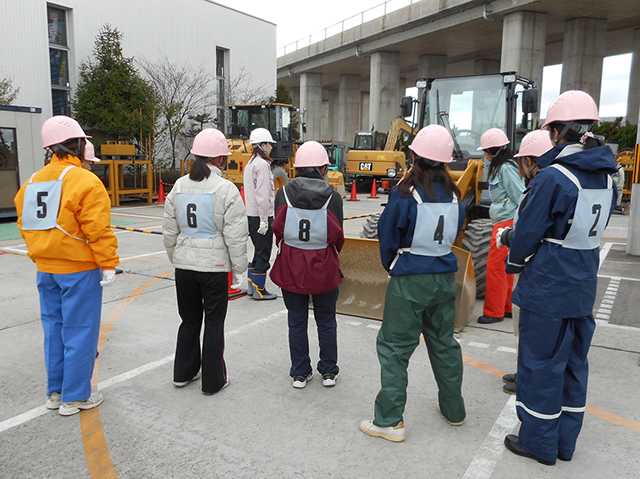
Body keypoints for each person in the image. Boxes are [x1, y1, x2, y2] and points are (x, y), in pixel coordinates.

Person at [503, 90, 617, 465]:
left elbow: (528, 233)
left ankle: (538, 442)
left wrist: (513, 256)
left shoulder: (555, 176)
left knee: (539, 365)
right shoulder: (608, 177)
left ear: (559, 130)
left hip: (549, 284)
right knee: (573, 364)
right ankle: (565, 442)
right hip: (584, 282)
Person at [360, 125, 466, 443]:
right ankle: (454, 410)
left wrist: (393, 266)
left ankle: (390, 421)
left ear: (416, 156)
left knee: (394, 349)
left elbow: (388, 235)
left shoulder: (406, 194)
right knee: (444, 343)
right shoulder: (455, 195)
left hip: (410, 278)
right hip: (446, 276)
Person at [14, 115, 119, 416]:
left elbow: (25, 223)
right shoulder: (86, 181)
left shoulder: (32, 181)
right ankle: (75, 397)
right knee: (80, 330)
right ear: (77, 144)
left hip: (45, 268)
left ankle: (55, 392)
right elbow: (97, 229)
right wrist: (108, 262)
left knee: (54, 329)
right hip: (78, 269)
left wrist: (41, 253)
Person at [163, 128, 248, 395]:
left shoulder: (178, 186)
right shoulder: (226, 189)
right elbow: (235, 236)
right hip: (213, 268)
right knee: (214, 322)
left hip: (184, 266)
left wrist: (176, 257)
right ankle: (213, 381)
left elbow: (169, 231)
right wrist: (239, 271)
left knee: (188, 320)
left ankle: (183, 373)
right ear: (221, 159)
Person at [270, 141, 344, 389]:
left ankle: (300, 373)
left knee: (296, 320)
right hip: (323, 267)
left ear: (297, 167)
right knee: (326, 320)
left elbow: (278, 231)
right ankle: (329, 371)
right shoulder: (333, 197)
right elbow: (337, 235)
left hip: (292, 266)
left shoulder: (283, 194)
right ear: (324, 168)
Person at [496, 130, 554, 395]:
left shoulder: (542, 187)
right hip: (536, 266)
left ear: (531, 161)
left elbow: (532, 230)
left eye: (523, 161)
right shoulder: (539, 185)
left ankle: (527, 379)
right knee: (524, 327)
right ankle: (524, 372)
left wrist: (511, 243)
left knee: (529, 329)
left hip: (533, 266)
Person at [476, 128, 525, 324]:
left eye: (486, 151)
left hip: (506, 223)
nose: (484, 156)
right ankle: (505, 307)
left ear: (494, 151)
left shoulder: (505, 168)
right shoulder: (502, 167)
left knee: (495, 268)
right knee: (504, 268)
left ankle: (493, 312)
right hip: (505, 222)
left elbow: (520, 195)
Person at [244, 127, 277, 300]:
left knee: (257, 250)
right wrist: (265, 220)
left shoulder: (250, 164)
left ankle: (251, 287)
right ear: (262, 145)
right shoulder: (262, 165)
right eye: (269, 144)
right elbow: (263, 196)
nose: (271, 147)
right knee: (264, 251)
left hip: (251, 216)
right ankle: (259, 290)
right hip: (261, 217)